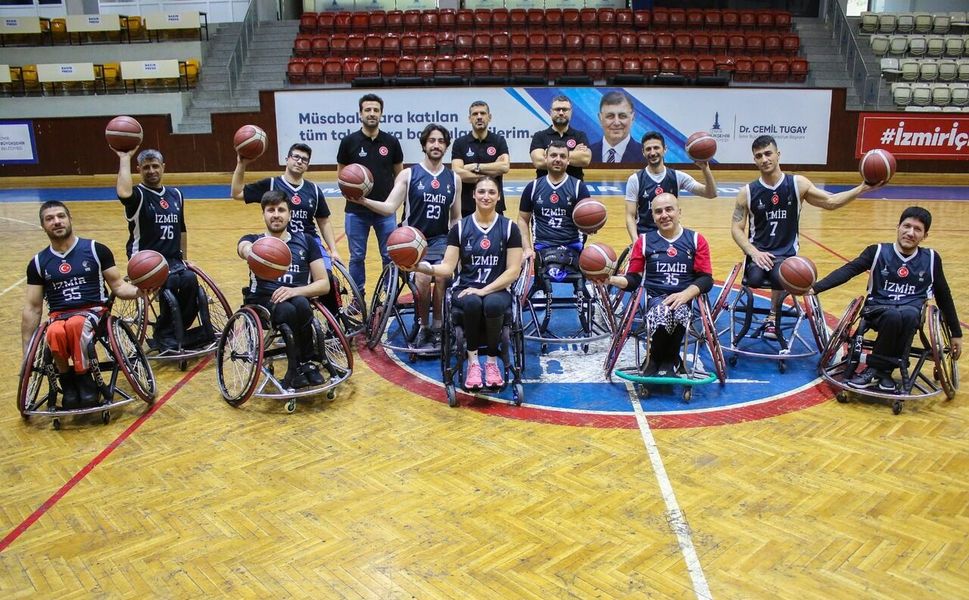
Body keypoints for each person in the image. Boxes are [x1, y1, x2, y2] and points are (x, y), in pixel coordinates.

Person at [730, 134, 876, 339]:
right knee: (754, 278)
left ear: (778, 154)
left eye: (768, 153)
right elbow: (736, 228)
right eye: (759, 155)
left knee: (779, 276)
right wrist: (753, 253)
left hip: (786, 255)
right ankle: (770, 312)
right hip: (759, 254)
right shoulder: (747, 192)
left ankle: (772, 318)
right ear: (754, 160)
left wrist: (861, 188)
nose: (764, 159)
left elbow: (831, 202)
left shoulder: (797, 184)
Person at [812, 207, 962, 392]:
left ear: (925, 235)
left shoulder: (931, 258)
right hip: (878, 309)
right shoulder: (877, 251)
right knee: (893, 315)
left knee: (906, 315)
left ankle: (876, 369)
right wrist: (815, 288)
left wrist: (956, 333)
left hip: (910, 311)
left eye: (917, 229)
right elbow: (848, 271)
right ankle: (882, 371)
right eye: (906, 226)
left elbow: (943, 295)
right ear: (898, 227)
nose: (910, 232)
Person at [349, 124, 461, 348]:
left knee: (441, 276)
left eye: (440, 141)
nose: (436, 145)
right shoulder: (409, 174)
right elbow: (390, 207)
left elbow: (456, 218)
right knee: (422, 277)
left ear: (446, 146)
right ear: (424, 145)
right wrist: (363, 201)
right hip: (411, 240)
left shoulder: (454, 179)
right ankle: (422, 326)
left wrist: (459, 243)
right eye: (432, 141)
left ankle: (438, 326)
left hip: (440, 240)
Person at [22, 201, 143, 408]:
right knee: (54, 332)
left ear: (70, 219)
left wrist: (141, 292)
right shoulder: (38, 262)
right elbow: (33, 308)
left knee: (77, 324)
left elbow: (119, 286)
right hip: (59, 315)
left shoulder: (96, 250)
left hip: (94, 312)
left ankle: (86, 379)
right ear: (43, 226)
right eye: (50, 219)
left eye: (61, 216)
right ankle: (68, 383)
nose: (57, 222)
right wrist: (27, 350)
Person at [409, 177, 523, 389]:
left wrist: (484, 290)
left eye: (491, 192)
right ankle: (472, 362)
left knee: (493, 304)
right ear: (473, 195)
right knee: (471, 303)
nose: (486, 196)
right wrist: (419, 267)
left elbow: (513, 271)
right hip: (466, 288)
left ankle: (491, 362)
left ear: (499, 196)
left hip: (497, 288)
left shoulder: (509, 228)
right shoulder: (460, 228)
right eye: (481, 192)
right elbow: (447, 268)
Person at [605, 194, 714, 378]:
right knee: (662, 311)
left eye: (669, 209)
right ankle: (656, 359)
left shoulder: (696, 240)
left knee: (678, 311)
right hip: (655, 299)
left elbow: (706, 279)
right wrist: (611, 280)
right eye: (658, 212)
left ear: (679, 212)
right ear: (653, 216)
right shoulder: (644, 241)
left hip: (685, 298)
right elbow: (633, 280)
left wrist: (686, 294)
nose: (664, 215)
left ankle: (668, 359)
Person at [237, 191, 331, 390]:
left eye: (281, 210)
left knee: (302, 305)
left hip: (295, 298)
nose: (276, 215)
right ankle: (295, 367)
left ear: (289, 214)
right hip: (262, 302)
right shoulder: (255, 240)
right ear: (263, 214)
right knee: (289, 310)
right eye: (270, 210)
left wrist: (295, 291)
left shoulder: (306, 241)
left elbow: (324, 284)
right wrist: (250, 252)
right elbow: (242, 248)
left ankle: (305, 363)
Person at [116, 147, 200, 350]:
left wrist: (184, 258)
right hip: (145, 261)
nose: (151, 171)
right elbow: (123, 192)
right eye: (146, 167)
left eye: (155, 166)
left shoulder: (176, 194)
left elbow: (181, 230)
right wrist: (124, 158)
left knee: (190, 280)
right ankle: (165, 333)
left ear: (163, 167)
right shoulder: (137, 196)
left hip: (173, 260)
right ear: (139, 170)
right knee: (170, 281)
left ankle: (176, 330)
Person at [231, 142, 341, 269]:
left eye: (304, 160)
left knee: (326, 275)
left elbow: (324, 222)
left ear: (307, 165)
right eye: (296, 157)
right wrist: (241, 164)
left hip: (309, 242)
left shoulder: (314, 190)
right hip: (280, 241)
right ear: (287, 159)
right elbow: (237, 193)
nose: (299, 161)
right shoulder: (271, 184)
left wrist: (334, 250)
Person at [337, 93, 404, 291]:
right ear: (360, 114)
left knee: (389, 255)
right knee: (357, 256)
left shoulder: (391, 142)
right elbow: (341, 176)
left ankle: (387, 295)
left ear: (381, 114)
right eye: (368, 110)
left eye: (375, 110)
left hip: (385, 211)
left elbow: (400, 177)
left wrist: (395, 202)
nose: (372, 113)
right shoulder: (349, 142)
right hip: (356, 212)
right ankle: (357, 297)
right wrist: (350, 192)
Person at [624, 131, 719, 243]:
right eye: (648, 149)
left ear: (665, 149)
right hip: (646, 238)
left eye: (656, 148)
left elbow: (711, 193)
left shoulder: (677, 176)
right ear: (643, 152)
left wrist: (705, 168)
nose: (653, 152)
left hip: (672, 237)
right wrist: (636, 241)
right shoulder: (635, 179)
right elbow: (630, 215)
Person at [518, 140, 592, 272]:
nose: (558, 159)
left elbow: (588, 221)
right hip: (542, 246)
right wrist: (527, 248)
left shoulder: (578, 187)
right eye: (553, 155)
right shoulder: (533, 187)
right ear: (545, 158)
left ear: (568, 161)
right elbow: (522, 219)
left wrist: (590, 226)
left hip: (573, 246)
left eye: (562, 156)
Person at [451, 100, 511, 217]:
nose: (479, 117)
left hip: (494, 206)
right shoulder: (460, 143)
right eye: (475, 114)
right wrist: (490, 174)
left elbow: (504, 166)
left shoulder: (499, 141)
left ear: (489, 117)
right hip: (466, 207)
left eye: (483, 113)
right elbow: (457, 173)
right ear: (469, 119)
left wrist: (475, 167)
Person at [529, 95, 591, 180]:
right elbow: (539, 162)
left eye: (565, 110)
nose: (561, 113)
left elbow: (585, 159)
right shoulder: (539, 136)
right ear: (551, 112)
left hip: (574, 188)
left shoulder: (580, 135)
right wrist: (573, 154)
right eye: (557, 109)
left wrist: (549, 153)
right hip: (545, 188)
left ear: (571, 112)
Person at [589, 91, 642, 164]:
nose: (616, 123)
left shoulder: (646, 155)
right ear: (600, 119)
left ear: (632, 118)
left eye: (622, 116)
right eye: (610, 116)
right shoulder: (587, 154)